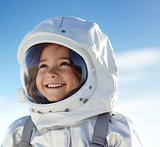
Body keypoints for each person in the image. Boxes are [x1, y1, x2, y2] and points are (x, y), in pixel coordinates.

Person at [1, 16, 143, 147]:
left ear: (92, 72)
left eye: (64, 64)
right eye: (43, 66)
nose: (51, 73)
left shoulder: (114, 130)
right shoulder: (21, 133)